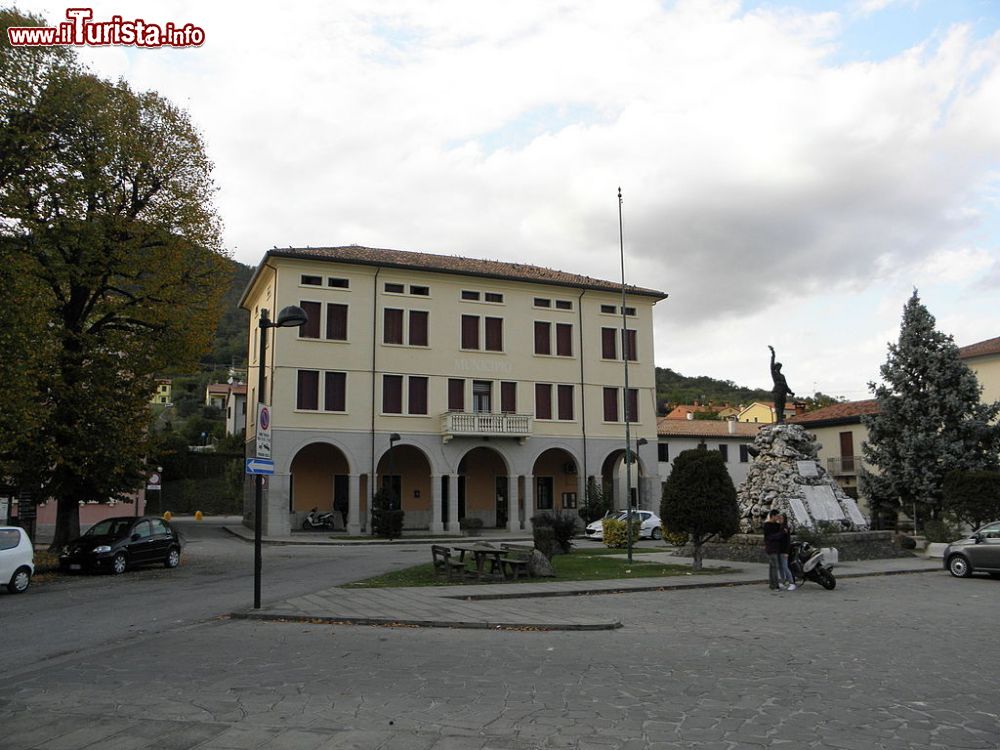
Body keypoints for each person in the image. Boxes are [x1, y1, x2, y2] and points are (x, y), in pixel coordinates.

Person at [768, 345, 795, 424]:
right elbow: (771, 365)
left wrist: (790, 392)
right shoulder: (774, 373)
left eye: (780, 367)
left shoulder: (782, 376)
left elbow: (786, 385)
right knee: (778, 406)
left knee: (782, 406)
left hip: (783, 392)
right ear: (776, 367)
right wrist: (773, 354)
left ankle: (781, 419)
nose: (779, 368)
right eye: (778, 366)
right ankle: (779, 420)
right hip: (777, 392)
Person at [762, 509, 784, 591]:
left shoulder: (777, 525)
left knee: (772, 567)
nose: (778, 518)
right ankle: (775, 586)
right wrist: (780, 534)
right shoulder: (767, 525)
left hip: (776, 548)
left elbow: (782, 533)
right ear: (773, 516)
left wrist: (782, 524)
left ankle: (772, 584)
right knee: (775, 567)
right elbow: (770, 537)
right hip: (771, 548)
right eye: (777, 516)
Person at [777, 513, 796, 591]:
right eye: (779, 518)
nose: (780, 519)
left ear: (784, 519)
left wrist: (787, 552)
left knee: (785, 567)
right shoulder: (779, 527)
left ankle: (792, 583)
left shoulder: (785, 528)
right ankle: (782, 582)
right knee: (780, 567)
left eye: (781, 518)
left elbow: (788, 542)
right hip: (778, 551)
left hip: (784, 551)